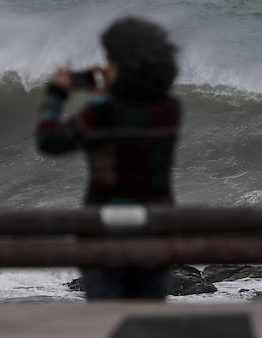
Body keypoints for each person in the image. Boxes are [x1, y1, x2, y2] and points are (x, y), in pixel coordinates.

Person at [35, 16, 182, 300]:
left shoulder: (99, 114)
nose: (105, 66)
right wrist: (112, 91)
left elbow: (49, 140)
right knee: (147, 321)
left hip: (103, 235)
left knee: (109, 318)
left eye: (110, 60)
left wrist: (57, 93)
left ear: (123, 67)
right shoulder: (171, 110)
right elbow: (133, 112)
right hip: (156, 233)